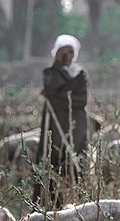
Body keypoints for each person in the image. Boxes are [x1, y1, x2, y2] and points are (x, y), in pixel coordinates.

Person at [33, 34, 90, 205]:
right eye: (62, 52)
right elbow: (52, 94)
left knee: (75, 158)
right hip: (54, 123)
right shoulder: (50, 73)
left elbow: (81, 100)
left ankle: (77, 200)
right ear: (56, 54)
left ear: (75, 54)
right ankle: (49, 202)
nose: (66, 56)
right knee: (51, 156)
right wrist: (65, 98)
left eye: (70, 52)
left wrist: (58, 97)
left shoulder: (80, 74)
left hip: (76, 123)